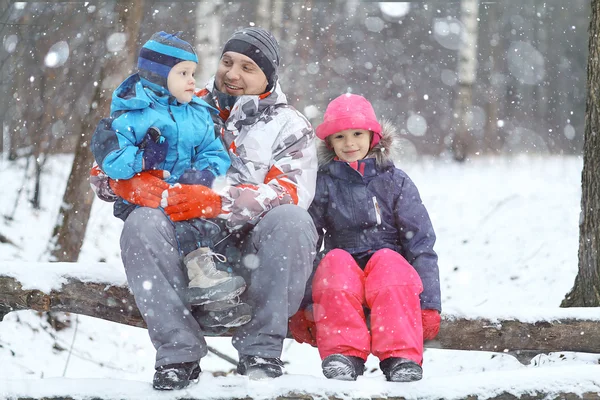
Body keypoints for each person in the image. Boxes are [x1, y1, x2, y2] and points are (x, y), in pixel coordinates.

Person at [90, 27, 318, 389]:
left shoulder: (289, 126)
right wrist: (126, 184)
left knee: (292, 220)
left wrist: (217, 201)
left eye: (248, 67)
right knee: (141, 222)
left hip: (253, 250)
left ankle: (261, 351)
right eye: (227, 62)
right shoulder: (178, 97)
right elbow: (107, 160)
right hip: (181, 244)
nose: (232, 73)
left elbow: (290, 192)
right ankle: (177, 353)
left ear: (269, 77)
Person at [288, 94, 441, 382]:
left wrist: (430, 303)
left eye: (357, 134)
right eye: (340, 136)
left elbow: (420, 242)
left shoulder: (396, 181)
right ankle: (344, 354)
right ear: (329, 142)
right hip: (345, 267)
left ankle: (400, 356)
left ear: (373, 136)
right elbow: (307, 244)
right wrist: (303, 303)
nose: (349, 144)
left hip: (387, 264)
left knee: (389, 264)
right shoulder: (323, 183)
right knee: (333, 263)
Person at [92, 31, 246, 308]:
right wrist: (142, 159)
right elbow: (110, 158)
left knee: (205, 224)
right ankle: (200, 285)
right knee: (173, 230)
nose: (192, 81)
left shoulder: (198, 113)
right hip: (146, 198)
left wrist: (204, 175)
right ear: (158, 76)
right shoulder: (132, 114)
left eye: (193, 73)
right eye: (183, 73)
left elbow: (214, 150)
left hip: (183, 193)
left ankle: (213, 296)